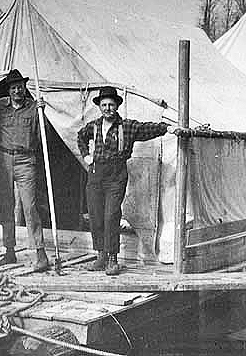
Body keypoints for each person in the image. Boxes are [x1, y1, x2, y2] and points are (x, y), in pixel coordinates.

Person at [77, 86, 180, 275]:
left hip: (116, 175)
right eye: (104, 105)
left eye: (111, 105)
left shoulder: (127, 126)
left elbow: (148, 129)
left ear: (117, 106)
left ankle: (112, 258)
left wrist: (167, 128)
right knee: (96, 215)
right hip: (95, 173)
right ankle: (100, 255)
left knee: (111, 215)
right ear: (99, 106)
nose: (107, 108)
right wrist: (86, 156)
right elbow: (80, 137)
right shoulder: (93, 126)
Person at [0, 69, 50, 272]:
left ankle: (40, 253)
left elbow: (43, 136)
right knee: (6, 205)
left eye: (20, 87)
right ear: (9, 90)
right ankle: (9, 252)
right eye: (13, 87)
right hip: (2, 158)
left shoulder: (33, 108)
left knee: (30, 206)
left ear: (24, 88)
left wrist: (42, 114)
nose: (17, 91)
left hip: (25, 160)